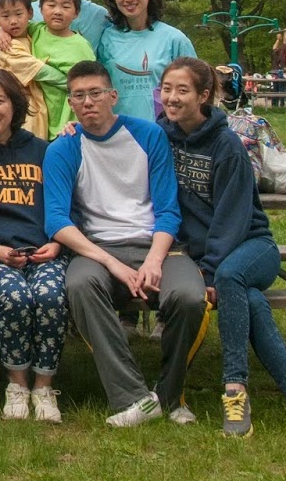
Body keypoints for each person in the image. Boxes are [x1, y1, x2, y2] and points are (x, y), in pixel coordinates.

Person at [158, 58, 286, 440]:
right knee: (251, 303)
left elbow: (233, 217)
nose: (172, 97)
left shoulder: (227, 145)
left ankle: (234, 389)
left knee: (234, 276)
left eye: (182, 90)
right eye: (167, 88)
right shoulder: (162, 135)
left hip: (252, 247)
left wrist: (210, 270)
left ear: (204, 96)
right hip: (209, 258)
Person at [43, 60, 207, 427]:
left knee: (190, 297)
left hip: (157, 245)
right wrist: (113, 264)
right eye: (79, 95)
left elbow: (168, 210)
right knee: (80, 285)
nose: (88, 102)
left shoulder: (149, 136)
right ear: (70, 102)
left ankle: (167, 395)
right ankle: (132, 395)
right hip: (98, 248)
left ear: (113, 96)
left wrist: (153, 260)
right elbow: (56, 221)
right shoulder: (63, 148)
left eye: (96, 93)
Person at [0, 70, 64, 423]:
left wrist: (56, 244)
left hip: (44, 251)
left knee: (50, 295)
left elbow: (62, 205)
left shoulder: (43, 150)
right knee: (15, 296)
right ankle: (17, 384)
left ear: (15, 106)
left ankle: (44, 386)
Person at [0, 0, 95, 140]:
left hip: (68, 123)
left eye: (66, 7)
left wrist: (72, 84)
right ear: (40, 9)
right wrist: (1, 31)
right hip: (40, 118)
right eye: (51, 5)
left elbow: (91, 83)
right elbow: (14, 24)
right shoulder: (37, 30)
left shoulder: (81, 46)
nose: (57, 12)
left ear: (76, 13)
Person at [96, 0, 196, 122]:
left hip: (164, 134)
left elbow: (197, 88)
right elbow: (97, 88)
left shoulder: (174, 39)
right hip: (118, 134)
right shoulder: (106, 38)